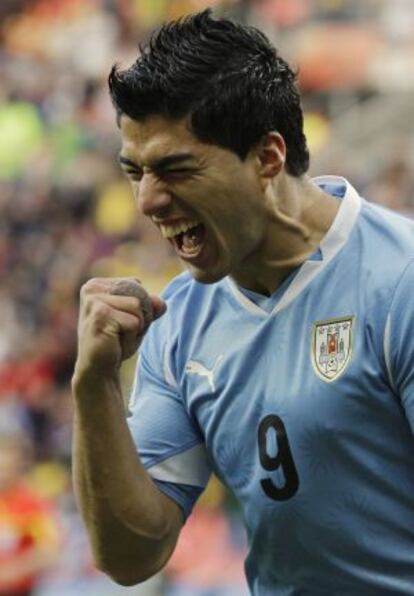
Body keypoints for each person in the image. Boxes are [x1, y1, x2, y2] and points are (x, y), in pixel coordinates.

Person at [71, 9, 414, 595]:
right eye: (135, 172)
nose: (148, 200)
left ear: (267, 158)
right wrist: (95, 386)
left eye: (175, 169)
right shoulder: (179, 323)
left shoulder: (399, 281)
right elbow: (131, 556)